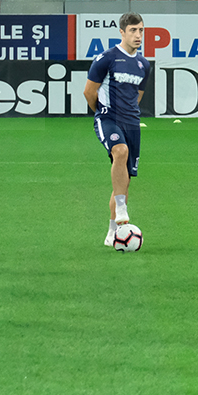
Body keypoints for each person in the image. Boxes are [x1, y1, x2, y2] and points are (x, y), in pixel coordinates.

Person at [84, 13, 149, 247]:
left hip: (132, 123)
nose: (138, 35)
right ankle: (122, 207)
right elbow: (89, 92)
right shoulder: (106, 59)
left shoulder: (144, 65)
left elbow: (137, 96)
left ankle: (112, 232)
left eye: (141, 30)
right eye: (133, 30)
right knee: (119, 152)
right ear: (122, 32)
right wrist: (101, 112)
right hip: (108, 117)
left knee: (124, 181)